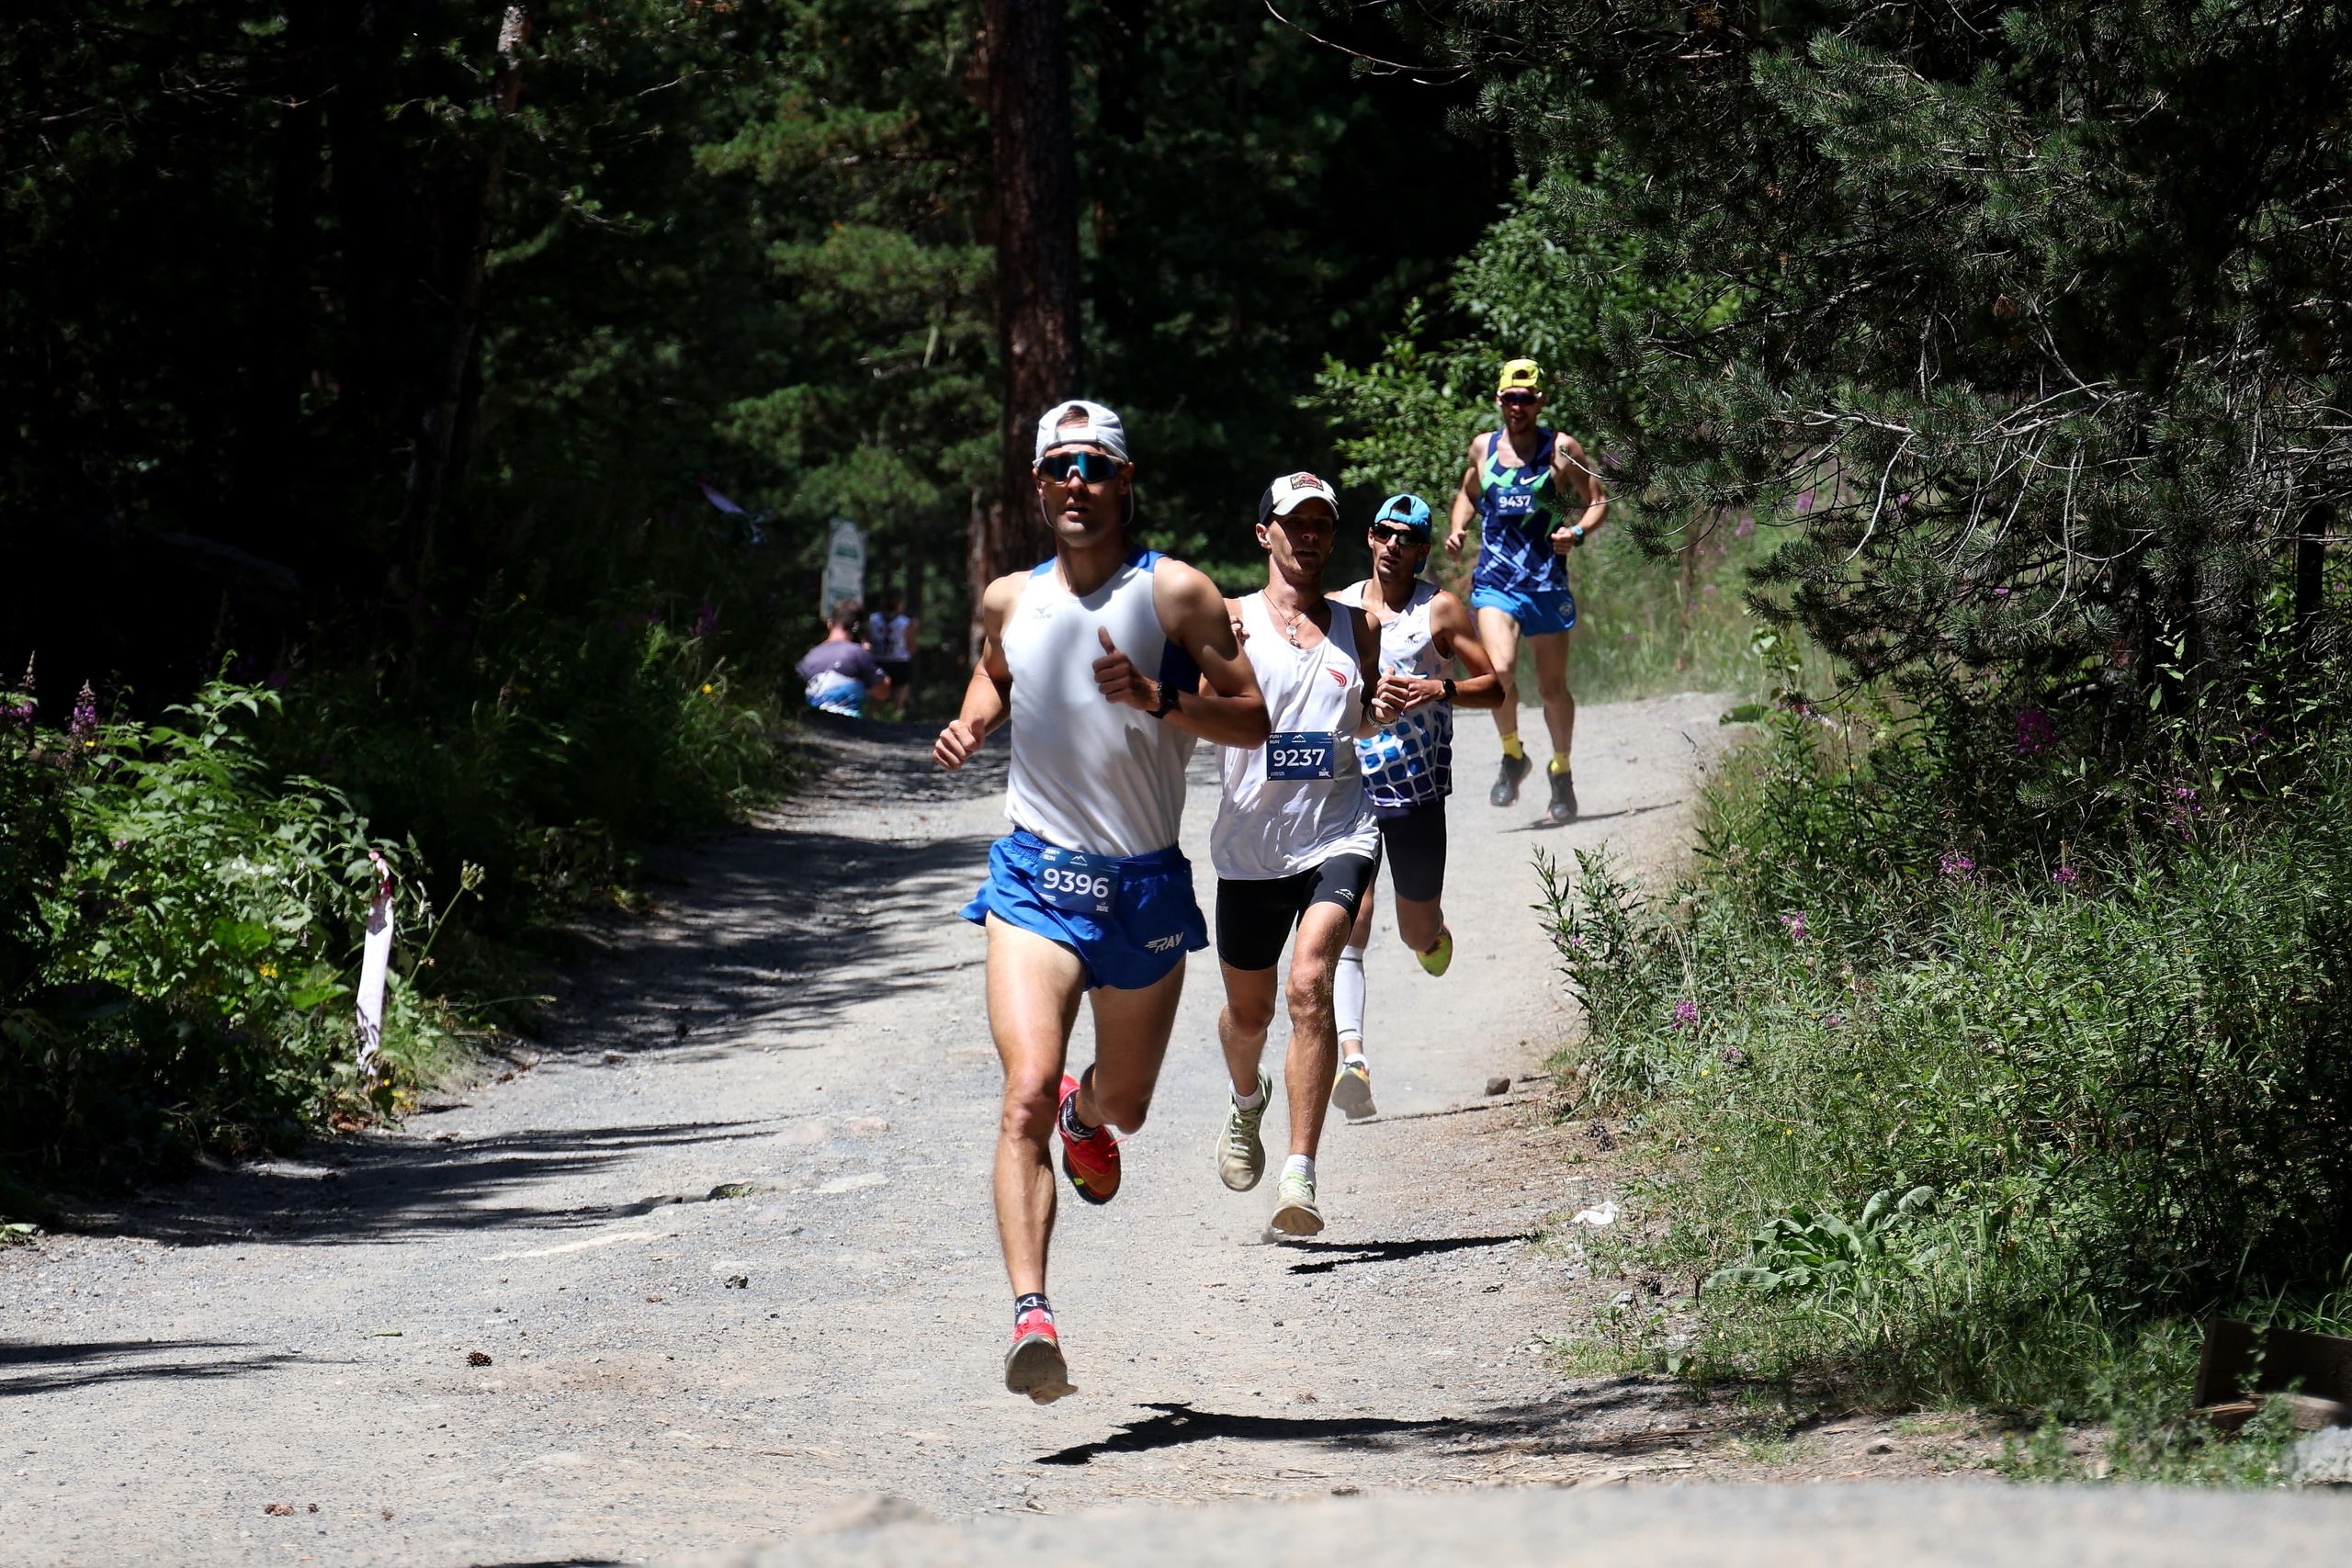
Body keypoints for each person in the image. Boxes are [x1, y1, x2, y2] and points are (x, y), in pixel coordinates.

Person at [934, 399, 1268, 1404]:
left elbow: (1251, 719)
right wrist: (967, 724)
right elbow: (995, 674)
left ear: (1124, 481)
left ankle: (1090, 1112)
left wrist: (1159, 699)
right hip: (1034, 880)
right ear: (1037, 485)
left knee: (1116, 1103)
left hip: (1143, 888)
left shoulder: (1175, 595)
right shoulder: (1006, 598)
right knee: (1022, 1089)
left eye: (1094, 466)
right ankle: (1032, 1313)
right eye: (1058, 466)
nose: (1075, 482)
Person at [1210, 471, 1400, 1236]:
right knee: (1248, 1014)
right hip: (1251, 848)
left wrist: (1379, 709)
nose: (1311, 535)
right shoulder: (1227, 621)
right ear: (1266, 534)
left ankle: (1300, 1175)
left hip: (1340, 832)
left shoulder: (1361, 625)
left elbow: (1362, 716)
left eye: (1323, 523)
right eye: (1296, 523)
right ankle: (1245, 1098)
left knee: (1309, 979)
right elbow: (1190, 712)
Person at [1326, 494, 1505, 1119]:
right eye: (1384, 533)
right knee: (1351, 915)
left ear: (1424, 549)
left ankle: (1433, 933)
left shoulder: (1440, 609)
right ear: (1369, 539)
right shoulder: (1341, 610)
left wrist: (1440, 687)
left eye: (1408, 537)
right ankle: (1353, 1058)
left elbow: (1497, 684)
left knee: (1413, 930)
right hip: (1351, 786)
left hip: (1417, 790)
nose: (1393, 545)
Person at [1444, 358, 1609, 823]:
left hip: (1546, 581)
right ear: (1499, 401)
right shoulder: (1483, 449)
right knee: (1500, 673)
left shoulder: (1560, 448)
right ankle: (1513, 754)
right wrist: (1458, 529)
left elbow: (1597, 499)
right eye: (1510, 398)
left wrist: (1576, 533)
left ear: (1540, 402)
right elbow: (1469, 495)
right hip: (1496, 580)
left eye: (1527, 398)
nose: (1518, 406)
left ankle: (1561, 769)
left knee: (1552, 687)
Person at [797, 599, 893, 716]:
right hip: (849, 727)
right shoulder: (857, 653)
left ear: (830, 624)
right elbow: (882, 692)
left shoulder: (810, 656)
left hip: (813, 725)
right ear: (857, 627)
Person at [867, 590, 917, 715]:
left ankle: (873, 718)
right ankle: (896, 717)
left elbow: (868, 641)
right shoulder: (905, 622)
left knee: (876, 698)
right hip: (899, 662)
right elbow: (911, 646)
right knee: (899, 697)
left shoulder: (873, 619)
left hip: (878, 661)